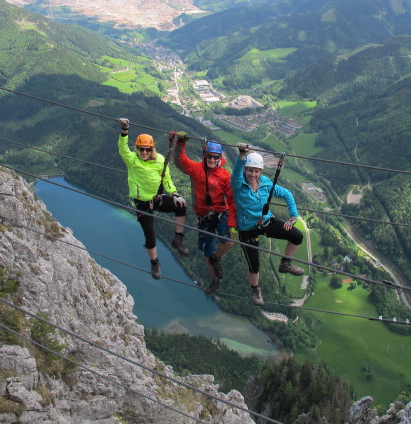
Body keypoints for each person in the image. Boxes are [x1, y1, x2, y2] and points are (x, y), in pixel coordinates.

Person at [230, 143, 304, 306]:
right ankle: (256, 289)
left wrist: (293, 215)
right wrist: (242, 155)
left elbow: (286, 193)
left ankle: (285, 262)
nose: (253, 174)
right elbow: (235, 173)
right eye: (250, 170)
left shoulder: (265, 183)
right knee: (254, 264)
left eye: (256, 171)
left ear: (261, 172)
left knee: (296, 236)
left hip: (266, 222)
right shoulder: (238, 184)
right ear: (245, 169)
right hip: (247, 228)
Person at [118, 118, 189, 280]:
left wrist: (174, 194)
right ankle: (154, 263)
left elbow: (167, 179)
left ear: (152, 149)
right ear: (137, 149)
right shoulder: (132, 160)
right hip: (142, 203)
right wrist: (124, 131)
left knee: (182, 205)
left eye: (147, 149)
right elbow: (123, 150)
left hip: (157, 198)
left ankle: (178, 239)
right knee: (150, 237)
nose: (144, 152)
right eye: (141, 149)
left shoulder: (160, 161)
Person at [174, 132, 237, 295]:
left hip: (221, 212)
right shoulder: (196, 169)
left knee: (229, 242)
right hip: (204, 216)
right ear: (205, 155)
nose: (212, 160)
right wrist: (180, 143)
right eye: (209, 156)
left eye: (215, 157)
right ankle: (215, 279)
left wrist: (232, 220)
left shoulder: (224, 175)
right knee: (207, 252)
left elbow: (231, 199)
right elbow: (180, 162)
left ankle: (217, 259)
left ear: (219, 158)